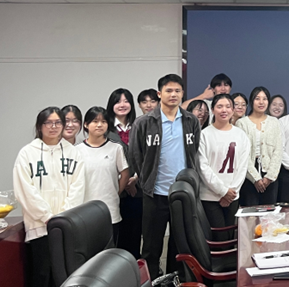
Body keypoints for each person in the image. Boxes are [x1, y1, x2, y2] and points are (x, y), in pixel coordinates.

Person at [129, 74, 201, 276]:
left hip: (182, 194)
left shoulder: (191, 120)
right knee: (151, 246)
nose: (173, 94)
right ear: (159, 94)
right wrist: (146, 180)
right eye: (168, 90)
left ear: (183, 93)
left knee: (180, 245)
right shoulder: (143, 122)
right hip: (155, 193)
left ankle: (174, 280)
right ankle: (151, 280)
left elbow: (194, 151)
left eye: (177, 90)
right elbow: (135, 155)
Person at [13, 107, 85, 287]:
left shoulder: (73, 153)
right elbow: (24, 190)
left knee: (64, 275)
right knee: (41, 273)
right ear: (39, 126)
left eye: (58, 122)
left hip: (66, 227)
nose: (53, 127)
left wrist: (63, 217)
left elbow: (78, 187)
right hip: (39, 226)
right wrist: (46, 216)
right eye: (48, 123)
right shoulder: (27, 153)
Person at [197, 94, 250, 241]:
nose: (224, 110)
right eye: (219, 106)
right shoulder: (204, 135)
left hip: (233, 195)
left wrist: (231, 192)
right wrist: (223, 191)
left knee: (232, 236)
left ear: (233, 110)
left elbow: (242, 167)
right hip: (210, 196)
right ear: (213, 110)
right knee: (217, 237)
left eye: (228, 107)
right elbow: (203, 167)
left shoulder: (241, 135)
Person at [77, 106, 128, 243]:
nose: (99, 125)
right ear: (86, 125)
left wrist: (116, 192)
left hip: (110, 209)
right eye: (95, 121)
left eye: (103, 121)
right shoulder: (77, 151)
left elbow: (125, 173)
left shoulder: (116, 148)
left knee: (109, 250)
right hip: (85, 209)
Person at [105, 88, 141, 259]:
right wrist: (123, 182)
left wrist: (135, 179)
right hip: (114, 189)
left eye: (126, 101)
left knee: (135, 232)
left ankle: (135, 267)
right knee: (115, 235)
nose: (122, 105)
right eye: (118, 101)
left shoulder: (139, 126)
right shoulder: (106, 129)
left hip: (137, 189)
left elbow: (147, 156)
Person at [236, 86, 283, 206]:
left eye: (264, 99)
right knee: (250, 212)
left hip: (270, 174)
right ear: (252, 101)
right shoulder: (242, 123)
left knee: (269, 212)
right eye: (257, 98)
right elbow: (242, 154)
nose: (261, 102)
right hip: (249, 175)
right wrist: (255, 178)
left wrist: (269, 177)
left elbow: (278, 151)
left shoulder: (274, 122)